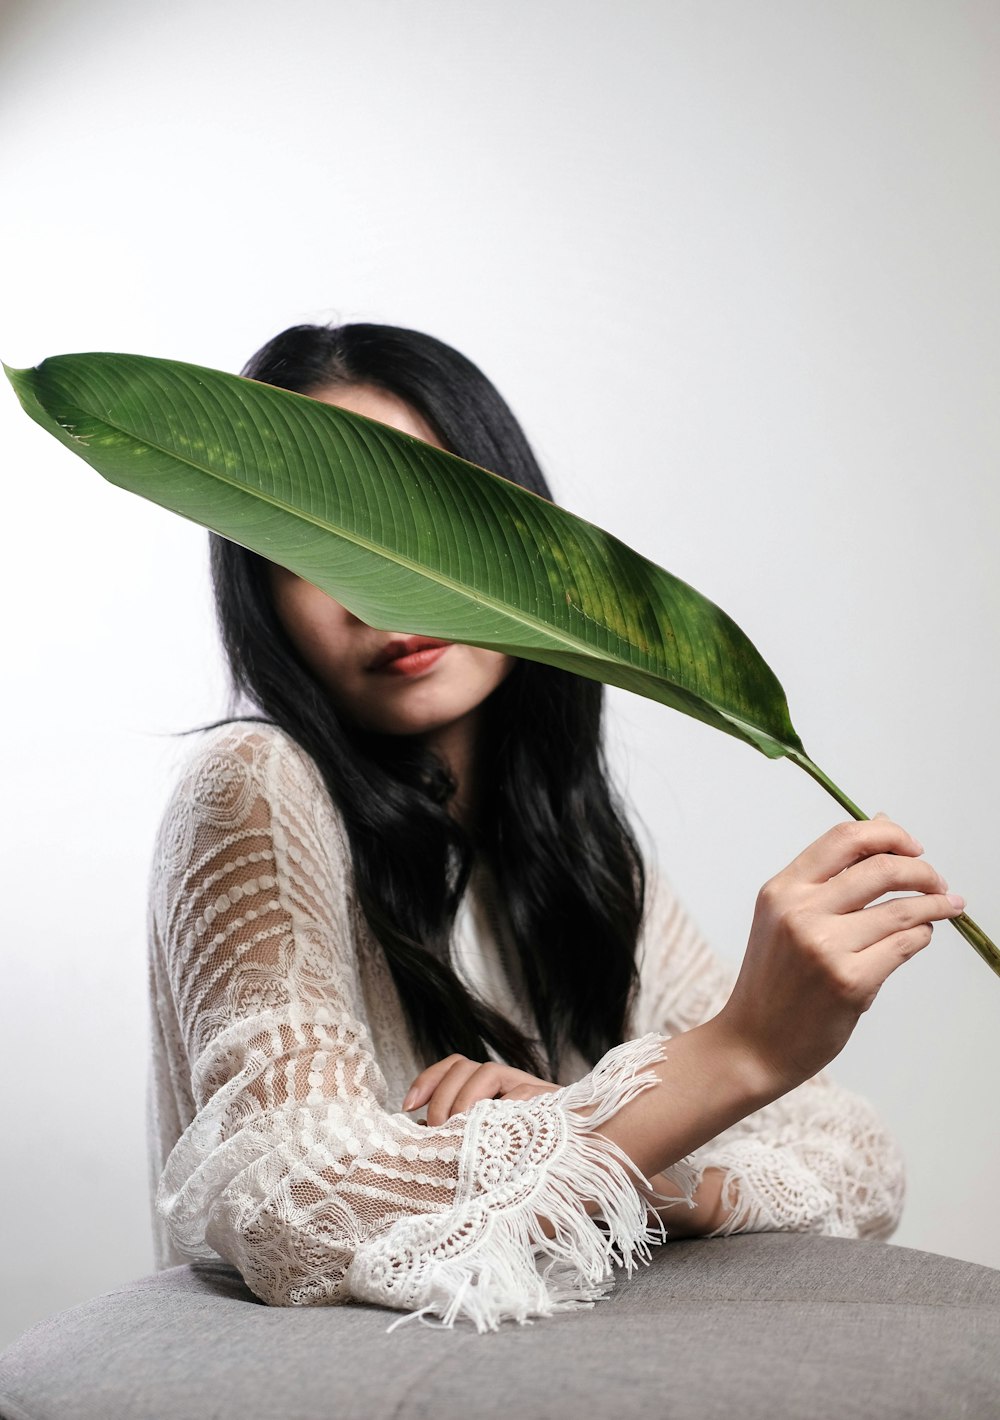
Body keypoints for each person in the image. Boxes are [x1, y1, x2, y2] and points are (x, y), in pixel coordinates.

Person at [145, 321, 964, 1334]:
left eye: (420, 517)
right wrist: (723, 1061)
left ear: (521, 543)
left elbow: (855, 1162)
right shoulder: (257, 782)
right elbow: (293, 1200)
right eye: (314, 542)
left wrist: (578, 1142)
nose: (376, 590)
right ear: (258, 590)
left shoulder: (574, 852)